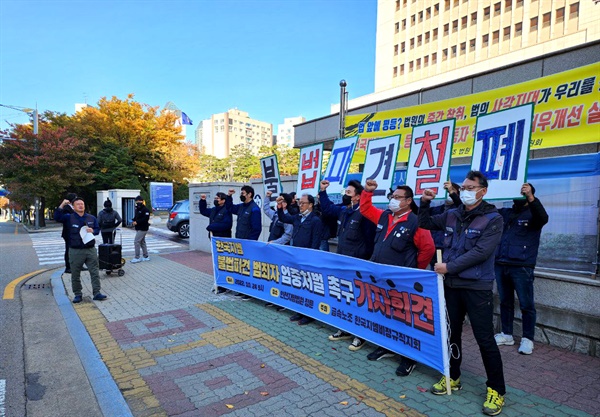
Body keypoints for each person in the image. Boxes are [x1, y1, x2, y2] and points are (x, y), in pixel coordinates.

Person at [419, 170, 506, 416]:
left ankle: (497, 390)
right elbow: (424, 222)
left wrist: (449, 267)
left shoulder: (493, 218)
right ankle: (453, 376)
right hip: (451, 287)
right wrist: (425, 202)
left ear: (483, 191)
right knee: (451, 334)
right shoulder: (452, 214)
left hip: (476, 288)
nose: (465, 191)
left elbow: (481, 251)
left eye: (470, 187)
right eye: (464, 187)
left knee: (485, 339)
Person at [360, 180, 435, 377]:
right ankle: (387, 346)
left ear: (409, 201)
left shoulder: (416, 222)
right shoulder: (385, 216)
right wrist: (368, 191)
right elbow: (365, 208)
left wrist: (412, 271)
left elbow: (428, 249)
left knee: (404, 318)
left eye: (398, 198)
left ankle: (408, 358)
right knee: (385, 313)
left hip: (401, 281)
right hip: (380, 278)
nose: (393, 200)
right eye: (392, 197)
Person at [320, 179, 376, 351]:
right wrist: (322, 191)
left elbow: (369, 241)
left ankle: (360, 335)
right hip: (342, 262)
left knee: (359, 299)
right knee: (345, 297)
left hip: (357, 264)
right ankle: (344, 329)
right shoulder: (345, 211)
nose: (345, 195)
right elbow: (328, 209)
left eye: (349, 193)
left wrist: (364, 261)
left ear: (359, 197)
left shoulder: (365, 215)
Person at [495, 183, 549, 355]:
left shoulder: (533, 213)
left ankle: (527, 339)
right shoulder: (506, 213)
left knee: (526, 304)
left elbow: (543, 217)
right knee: (505, 301)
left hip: (522, 266)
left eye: (522, 193)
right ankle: (507, 334)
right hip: (501, 263)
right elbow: (484, 209)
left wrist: (531, 198)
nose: (518, 196)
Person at [277, 193, 324, 325]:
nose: (300, 205)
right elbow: (283, 218)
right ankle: (299, 311)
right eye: (299, 203)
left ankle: (309, 314)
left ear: (310, 205)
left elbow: (315, 242)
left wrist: (310, 259)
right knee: (299, 285)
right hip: (296, 257)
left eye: (303, 203)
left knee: (308, 287)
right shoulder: (297, 217)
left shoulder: (315, 220)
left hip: (307, 259)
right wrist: (280, 206)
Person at [54, 197, 107, 303]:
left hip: (90, 249)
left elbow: (97, 229)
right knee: (75, 273)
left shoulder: (91, 218)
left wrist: (93, 230)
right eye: (78, 204)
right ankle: (78, 294)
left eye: (82, 204)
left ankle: (97, 293)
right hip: (75, 250)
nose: (80, 205)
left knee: (94, 272)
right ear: (73, 207)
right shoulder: (69, 218)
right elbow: (57, 217)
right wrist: (62, 204)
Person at [226, 185, 262, 300]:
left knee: (249, 268)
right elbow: (230, 208)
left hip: (248, 245)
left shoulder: (254, 209)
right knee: (241, 267)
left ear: (249, 194)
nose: (241, 195)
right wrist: (229, 196)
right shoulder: (241, 207)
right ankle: (242, 289)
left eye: (243, 193)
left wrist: (250, 244)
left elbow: (257, 229)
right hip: (239, 243)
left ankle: (249, 292)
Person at [200, 192, 233, 295]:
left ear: (223, 200)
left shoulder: (227, 210)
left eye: (218, 198)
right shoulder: (214, 210)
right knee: (217, 263)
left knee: (224, 262)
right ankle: (219, 282)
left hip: (223, 240)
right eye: (215, 198)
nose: (216, 200)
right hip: (214, 240)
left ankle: (224, 285)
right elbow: (204, 211)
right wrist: (203, 201)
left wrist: (212, 227)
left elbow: (227, 225)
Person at [429, 181, 461, 268]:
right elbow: (419, 213)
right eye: (446, 191)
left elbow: (460, 205)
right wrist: (425, 200)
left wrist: (452, 193)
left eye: (451, 190)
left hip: (451, 250)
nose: (448, 193)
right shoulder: (436, 209)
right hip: (435, 249)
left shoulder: (460, 209)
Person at [60, 193, 77, 273]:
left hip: (75, 232)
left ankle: (78, 265)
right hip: (68, 232)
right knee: (69, 250)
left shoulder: (73, 208)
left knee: (78, 249)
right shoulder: (66, 208)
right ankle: (68, 267)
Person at [131, 195, 150, 263]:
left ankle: (137, 257)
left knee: (136, 241)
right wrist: (133, 220)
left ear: (142, 201)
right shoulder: (137, 209)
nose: (137, 202)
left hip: (143, 228)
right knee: (142, 242)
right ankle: (146, 256)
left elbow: (145, 219)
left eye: (138, 201)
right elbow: (136, 217)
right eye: (136, 201)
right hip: (138, 227)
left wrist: (137, 222)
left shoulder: (145, 210)